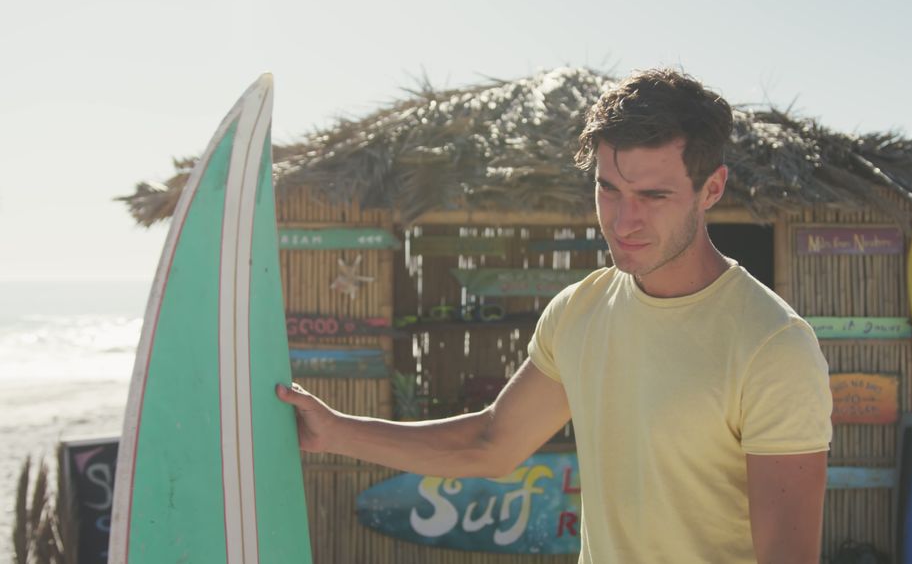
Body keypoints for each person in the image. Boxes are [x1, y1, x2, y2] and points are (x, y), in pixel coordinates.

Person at [276, 68, 833, 564]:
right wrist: (335, 432)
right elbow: (492, 443)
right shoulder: (580, 310)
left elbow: (786, 554)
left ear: (711, 188)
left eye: (654, 195)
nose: (624, 219)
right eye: (608, 189)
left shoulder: (772, 344)